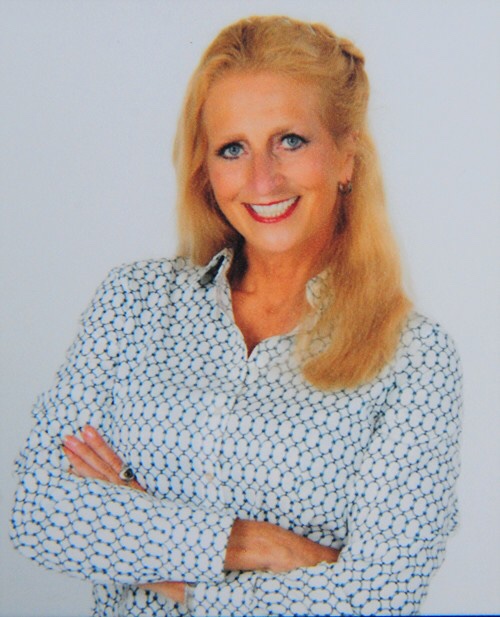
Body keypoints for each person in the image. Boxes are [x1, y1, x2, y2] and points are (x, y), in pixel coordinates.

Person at [10, 15, 462, 617]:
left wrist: (138, 527)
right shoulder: (134, 303)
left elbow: (379, 595)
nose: (261, 179)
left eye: (290, 141)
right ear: (207, 170)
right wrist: (258, 545)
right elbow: (40, 510)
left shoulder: (414, 358)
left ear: (346, 157)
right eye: (232, 149)